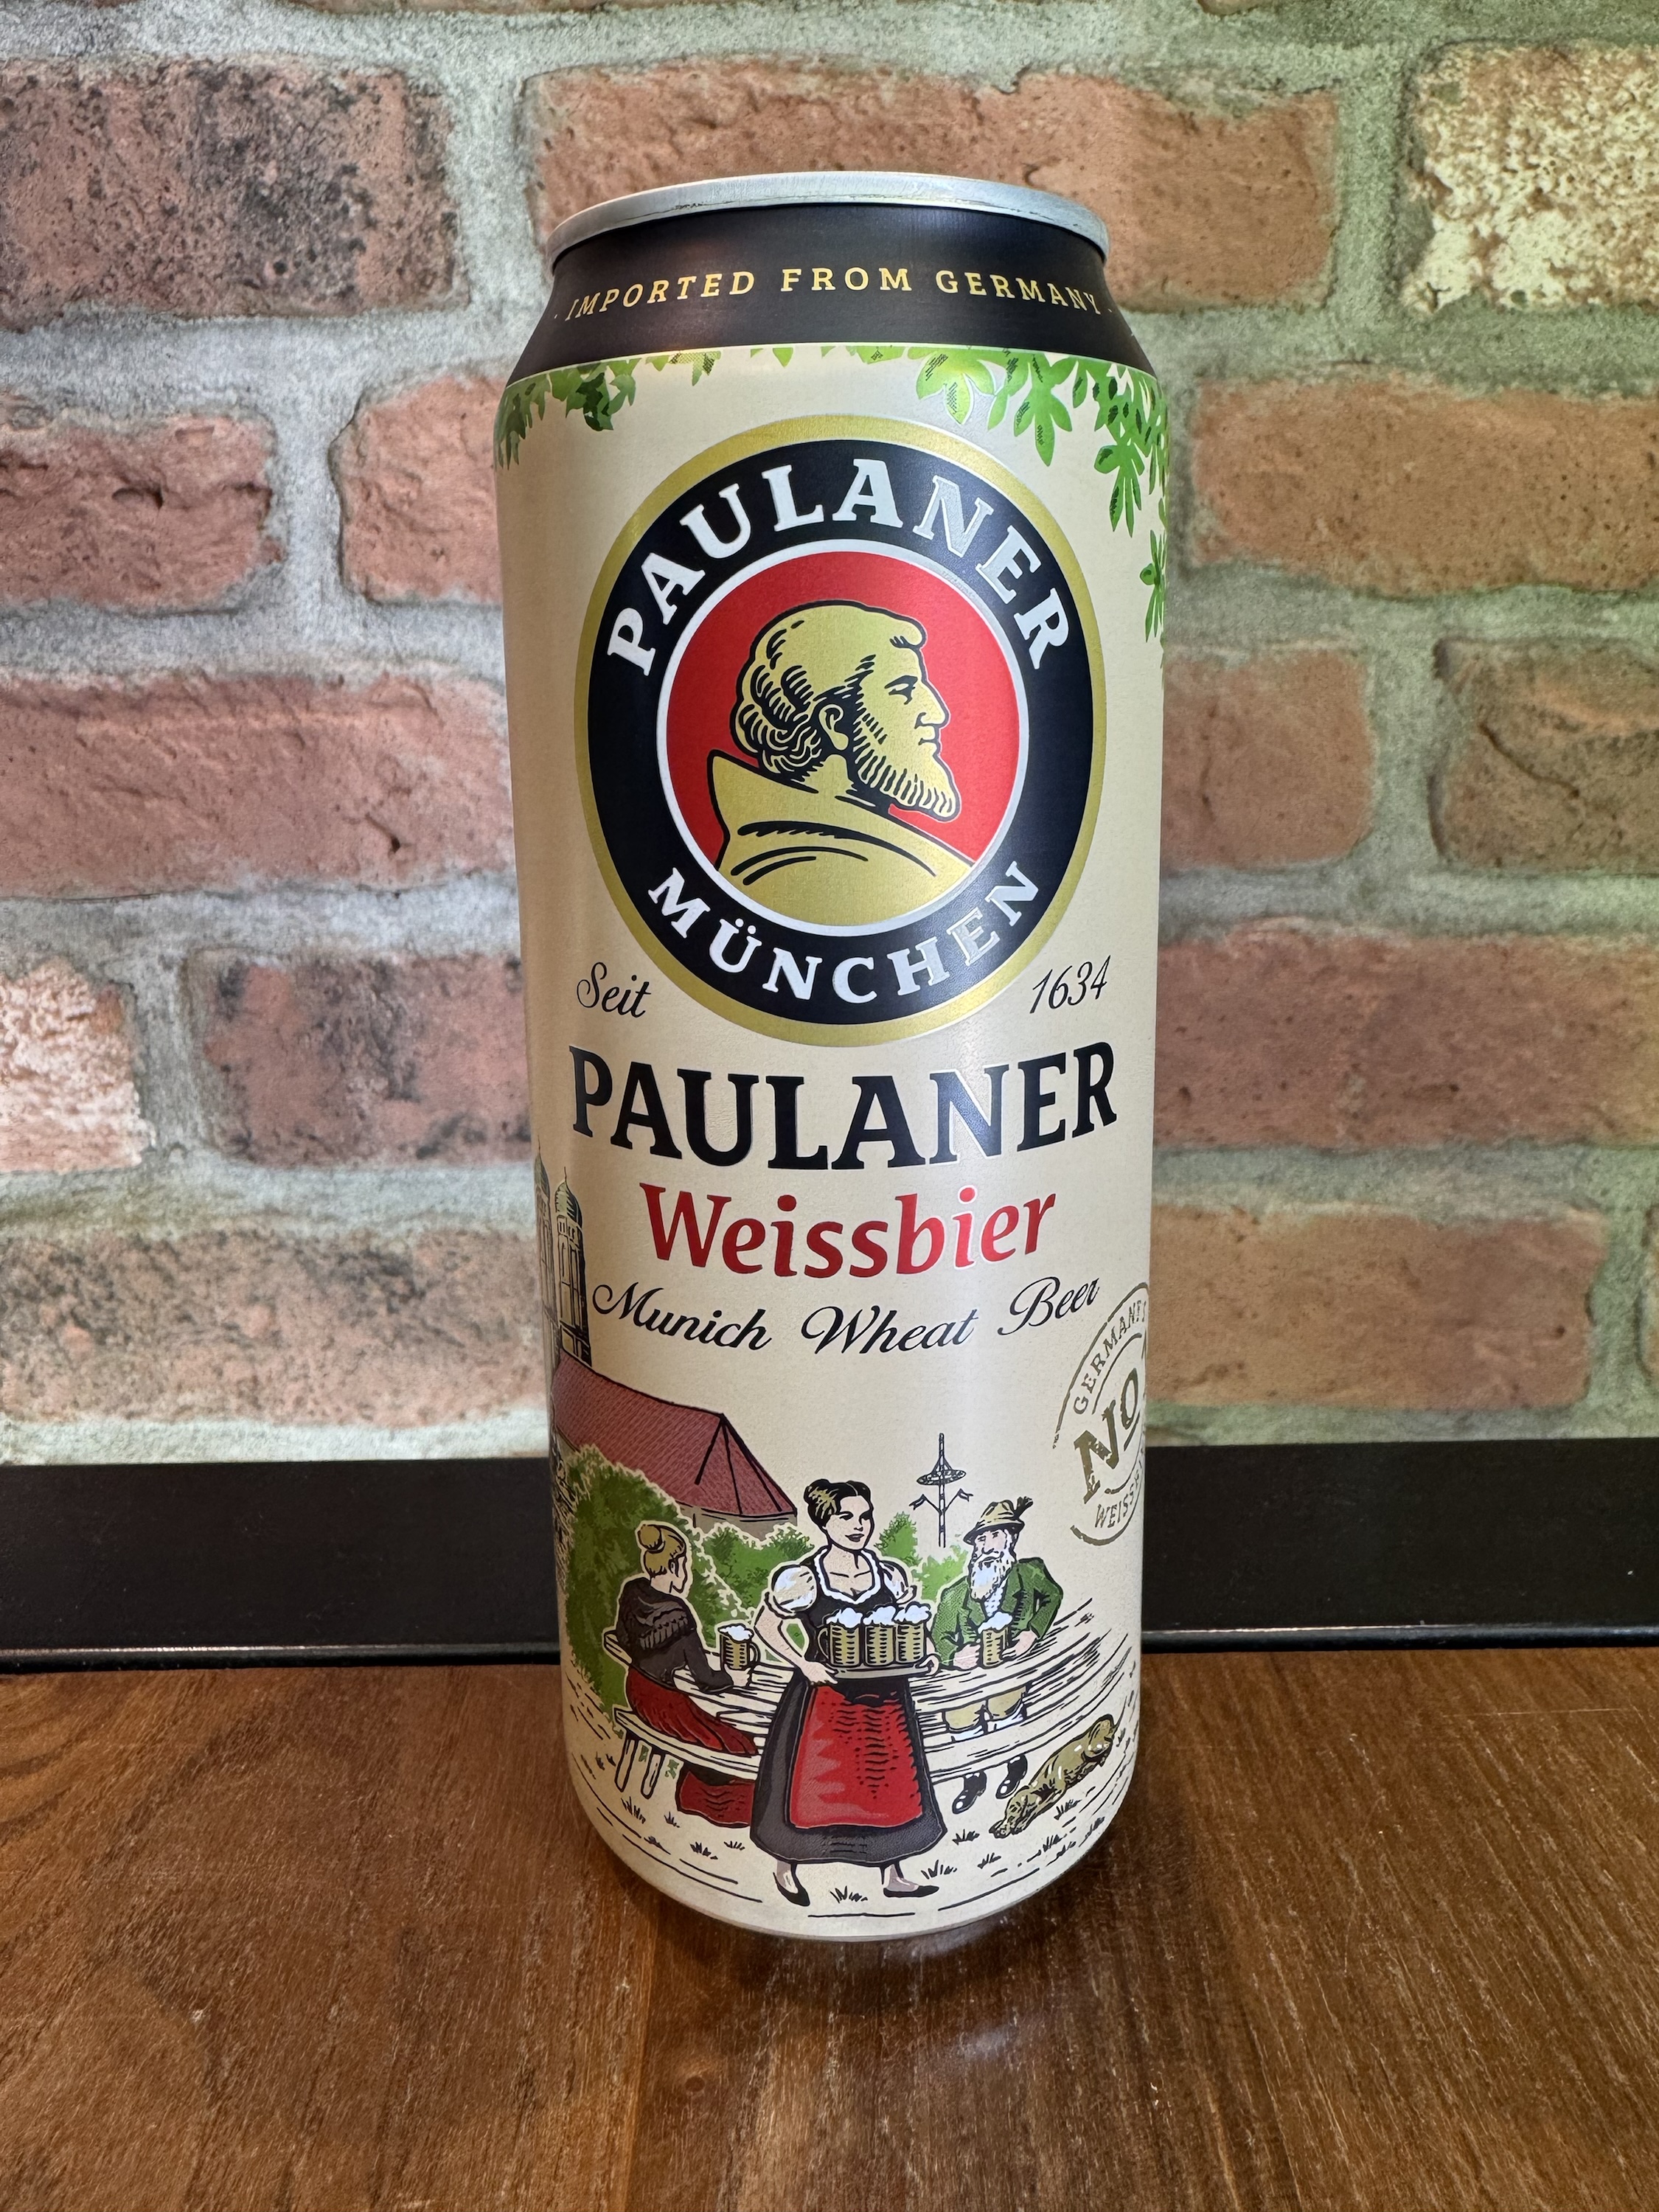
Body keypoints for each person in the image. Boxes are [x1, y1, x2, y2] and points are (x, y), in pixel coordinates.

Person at [711, 601, 971, 928]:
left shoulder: (860, 851)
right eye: (904, 689)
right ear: (834, 724)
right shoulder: (806, 868)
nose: (937, 712)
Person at [749, 1478, 945, 1909]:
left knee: (886, 1780)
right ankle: (786, 1867)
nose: (859, 1526)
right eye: (846, 1517)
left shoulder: (887, 1573)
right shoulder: (804, 1578)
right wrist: (804, 1664)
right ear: (825, 1523)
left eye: (865, 1517)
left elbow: (908, 1623)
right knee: (813, 1784)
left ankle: (892, 1874)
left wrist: (926, 1651)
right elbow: (766, 1625)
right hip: (826, 1698)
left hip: (884, 1698)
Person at [613, 1522, 756, 1826]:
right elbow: (706, 1680)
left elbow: (622, 1638)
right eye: (685, 1564)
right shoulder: (679, 1615)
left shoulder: (633, 1591)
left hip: (635, 1688)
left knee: (714, 1731)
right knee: (738, 1743)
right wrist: (733, 1678)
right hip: (665, 1704)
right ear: (676, 1566)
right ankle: (705, 1801)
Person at [931, 1498, 1063, 1818]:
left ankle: (1013, 1762)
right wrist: (955, 1656)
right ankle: (973, 1777)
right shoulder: (955, 1594)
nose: (987, 1545)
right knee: (959, 1715)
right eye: (981, 1538)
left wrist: (1032, 1632)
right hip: (969, 1678)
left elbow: (1053, 1596)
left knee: (1003, 1703)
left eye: (995, 1536)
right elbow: (939, 1637)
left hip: (1012, 1670)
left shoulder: (1029, 1573)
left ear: (1010, 1539)